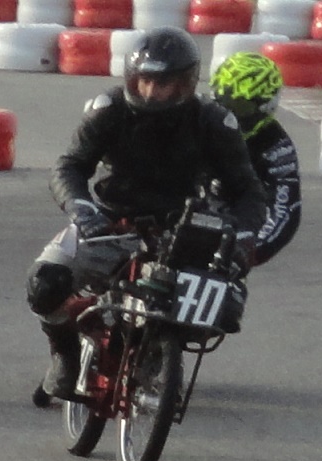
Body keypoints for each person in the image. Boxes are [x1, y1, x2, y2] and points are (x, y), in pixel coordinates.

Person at [26, 26, 267, 402]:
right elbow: (69, 166)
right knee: (44, 283)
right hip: (109, 223)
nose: (152, 91)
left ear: (186, 82)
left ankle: (157, 351)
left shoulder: (213, 121)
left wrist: (243, 235)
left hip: (181, 232)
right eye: (145, 80)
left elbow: (248, 190)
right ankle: (64, 354)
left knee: (224, 308)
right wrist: (82, 209)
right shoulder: (109, 109)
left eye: (163, 83)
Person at [210, 51, 301, 266]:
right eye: (222, 104)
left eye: (240, 107)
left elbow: (285, 212)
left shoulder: (276, 146)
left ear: (265, 107)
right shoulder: (196, 118)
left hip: (225, 227)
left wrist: (247, 250)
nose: (229, 115)